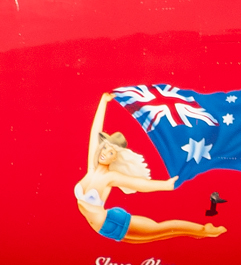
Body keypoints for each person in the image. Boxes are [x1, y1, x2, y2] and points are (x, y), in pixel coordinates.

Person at [74, 93, 224, 243]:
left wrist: (165, 185)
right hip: (104, 229)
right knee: (162, 234)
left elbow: (139, 184)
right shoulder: (92, 169)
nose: (105, 152)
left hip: (113, 223)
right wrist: (103, 102)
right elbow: (95, 133)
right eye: (105, 148)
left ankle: (204, 229)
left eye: (111, 152)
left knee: (161, 229)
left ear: (115, 158)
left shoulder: (110, 176)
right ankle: (202, 231)